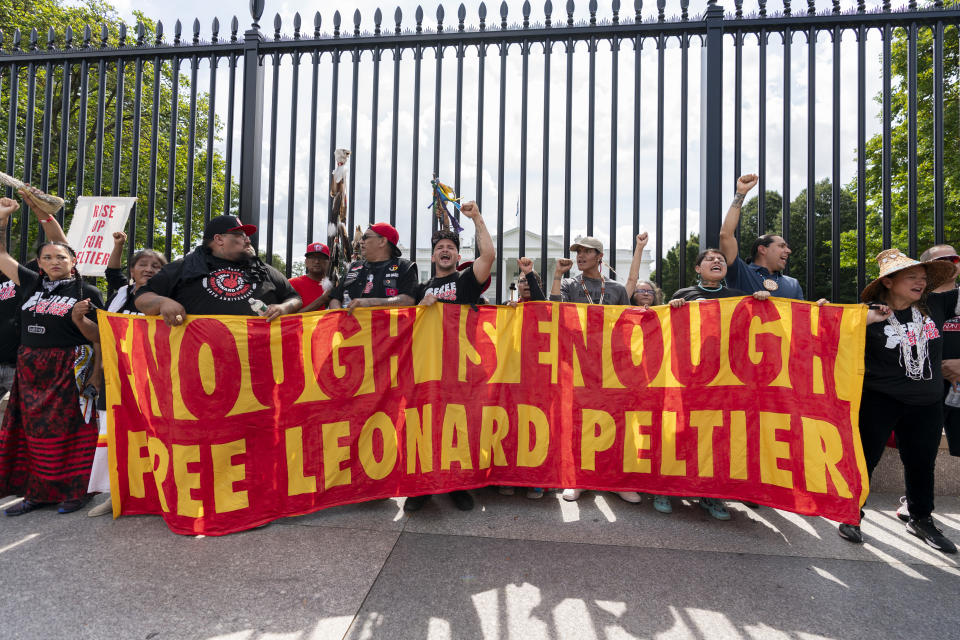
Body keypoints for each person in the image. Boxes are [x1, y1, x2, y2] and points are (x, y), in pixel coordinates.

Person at [837, 248, 958, 554]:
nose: (920, 282)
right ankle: (851, 514)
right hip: (880, 401)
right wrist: (864, 319)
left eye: (923, 277)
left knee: (921, 463)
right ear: (889, 282)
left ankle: (920, 518)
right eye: (911, 277)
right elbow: (829, 332)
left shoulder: (937, 303)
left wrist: (950, 260)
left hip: (928, 403)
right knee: (865, 459)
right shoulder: (869, 311)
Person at [0, 196, 104, 515]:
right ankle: (39, 493)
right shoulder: (31, 284)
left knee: (73, 432)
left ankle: (77, 492)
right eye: (47, 257)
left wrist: (97, 375)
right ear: (40, 263)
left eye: (61, 256)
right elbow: (1, 255)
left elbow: (101, 339)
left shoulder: (87, 292)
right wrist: (3, 220)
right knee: (35, 433)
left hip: (71, 368)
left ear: (73, 262)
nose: (54, 261)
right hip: (32, 371)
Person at [659, 249, 771, 520]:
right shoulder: (682, 295)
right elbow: (668, 335)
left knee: (718, 436)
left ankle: (711, 494)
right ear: (698, 269)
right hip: (689, 379)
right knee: (682, 432)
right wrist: (673, 311)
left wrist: (762, 302)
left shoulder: (737, 297)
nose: (717, 261)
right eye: (710, 259)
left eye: (720, 259)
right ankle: (667, 489)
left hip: (724, 381)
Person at [405, 202, 494, 513]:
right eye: (440, 247)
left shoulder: (466, 280)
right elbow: (404, 327)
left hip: (461, 370)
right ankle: (420, 488)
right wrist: (421, 308)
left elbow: (488, 257)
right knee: (424, 427)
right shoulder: (420, 289)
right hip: (427, 370)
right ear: (432, 256)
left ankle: (457, 485)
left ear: (457, 257)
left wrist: (477, 219)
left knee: (460, 428)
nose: (445, 250)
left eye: (450, 247)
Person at [549, 235, 641, 504]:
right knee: (579, 421)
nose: (580, 256)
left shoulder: (616, 289)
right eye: (578, 252)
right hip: (578, 364)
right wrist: (557, 274)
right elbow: (554, 309)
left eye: (586, 252)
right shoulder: (569, 284)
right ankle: (578, 479)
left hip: (611, 367)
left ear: (600, 257)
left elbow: (627, 327)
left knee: (616, 422)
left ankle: (617, 481)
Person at [86, 231, 167, 517]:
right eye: (143, 264)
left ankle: (158, 493)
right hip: (116, 379)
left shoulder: (168, 298)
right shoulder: (120, 294)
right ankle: (115, 494)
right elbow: (112, 271)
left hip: (153, 381)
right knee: (113, 435)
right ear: (133, 270)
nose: (148, 269)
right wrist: (118, 245)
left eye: (156, 266)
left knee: (152, 436)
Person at [135, 215, 301, 324]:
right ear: (219, 239)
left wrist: (283, 308)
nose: (248, 240)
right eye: (241, 236)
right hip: (200, 367)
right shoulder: (185, 266)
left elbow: (294, 298)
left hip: (253, 366)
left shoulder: (263, 270)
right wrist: (163, 302)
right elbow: (143, 297)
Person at [1, 185, 69, 404]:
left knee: (18, 427)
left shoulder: (26, 277)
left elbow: (60, 247)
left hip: (20, 366)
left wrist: (40, 210)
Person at [719, 174, 805, 300]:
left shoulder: (793, 284)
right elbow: (725, 235)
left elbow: (802, 317)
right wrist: (741, 193)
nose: (788, 251)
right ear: (762, 249)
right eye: (781, 246)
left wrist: (822, 308)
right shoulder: (740, 273)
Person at [327, 222, 419, 311]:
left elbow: (409, 300)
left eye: (365, 237)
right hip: (352, 326)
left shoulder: (404, 267)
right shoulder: (355, 267)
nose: (360, 241)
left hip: (388, 326)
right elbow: (335, 298)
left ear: (382, 241)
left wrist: (372, 302)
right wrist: (340, 314)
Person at [292, 242, 334, 311]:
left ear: (328, 262)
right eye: (312, 257)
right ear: (306, 262)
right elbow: (288, 318)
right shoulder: (293, 284)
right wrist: (322, 300)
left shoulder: (335, 285)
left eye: (321, 257)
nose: (317, 261)